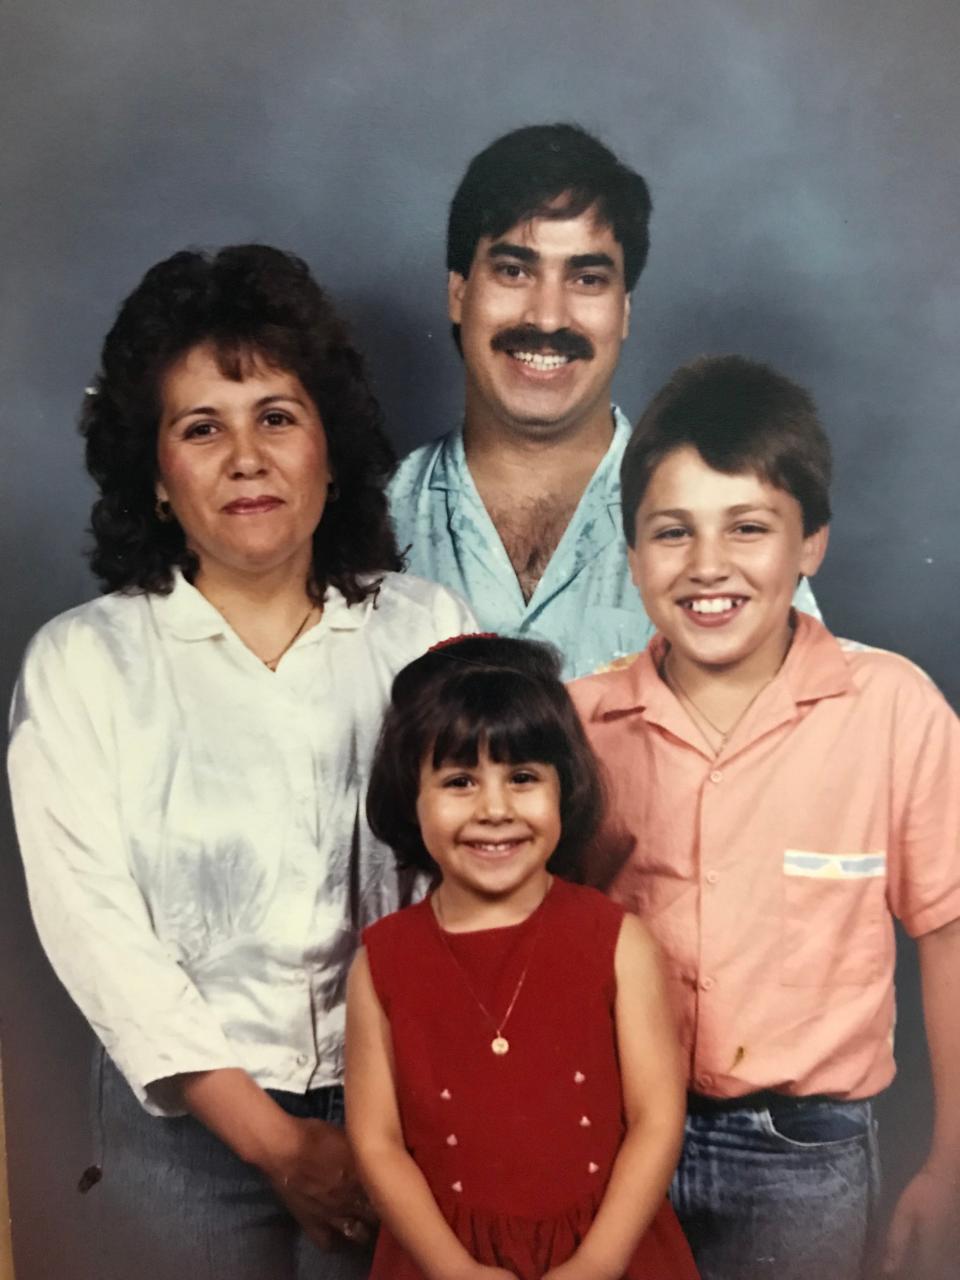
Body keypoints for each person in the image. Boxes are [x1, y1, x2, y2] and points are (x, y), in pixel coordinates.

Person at [7, 244, 475, 1280]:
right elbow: (97, 933)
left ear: (330, 449)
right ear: (158, 477)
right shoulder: (84, 663)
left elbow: (480, 861)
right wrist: (273, 1141)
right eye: (200, 427)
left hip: (401, 1108)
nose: (247, 456)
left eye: (277, 415)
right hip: (185, 1135)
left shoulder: (426, 630)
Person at [568, 355, 960, 1280]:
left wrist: (949, 1162)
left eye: (749, 528)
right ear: (631, 553)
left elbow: (947, 939)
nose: (709, 567)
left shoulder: (893, 709)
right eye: (672, 533)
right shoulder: (580, 724)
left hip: (806, 1154)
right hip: (615, 1139)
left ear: (811, 542)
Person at [388, 123, 818, 678]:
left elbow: (806, 739)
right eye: (514, 270)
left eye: (587, 279)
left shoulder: (728, 534)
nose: (547, 317)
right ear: (459, 293)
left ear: (625, 311)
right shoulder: (372, 528)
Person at [344, 635, 699, 1280]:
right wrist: (455, 1271)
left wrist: (597, 1264)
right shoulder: (383, 961)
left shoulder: (618, 941)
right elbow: (377, 1143)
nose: (495, 810)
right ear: (409, 795)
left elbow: (656, 1120)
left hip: (608, 1250)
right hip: (441, 1256)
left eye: (523, 778)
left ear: (565, 787)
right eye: (459, 781)